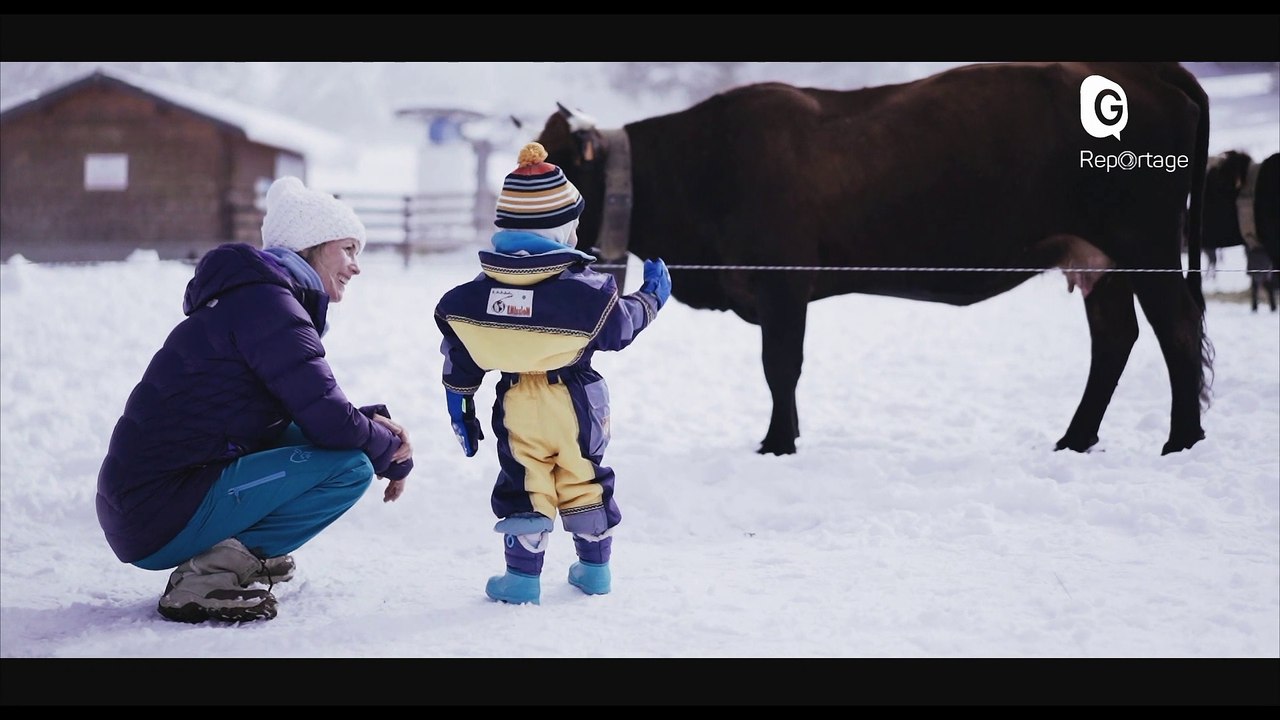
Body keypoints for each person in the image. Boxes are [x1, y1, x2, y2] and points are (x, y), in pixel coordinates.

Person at [96, 176, 415, 624]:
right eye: (348, 249)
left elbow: (308, 414)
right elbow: (327, 418)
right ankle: (210, 574)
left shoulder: (253, 299)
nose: (355, 266)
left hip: (146, 501)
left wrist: (373, 430)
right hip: (157, 511)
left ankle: (235, 553)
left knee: (335, 443)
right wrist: (390, 456)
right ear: (313, 245)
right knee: (350, 467)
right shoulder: (269, 306)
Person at [434, 142, 671, 605]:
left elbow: (460, 354)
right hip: (577, 401)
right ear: (562, 235)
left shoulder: (473, 299)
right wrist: (652, 298)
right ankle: (594, 570)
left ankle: (522, 579)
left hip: (517, 402)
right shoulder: (584, 295)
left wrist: (460, 402)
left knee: (525, 482)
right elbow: (621, 326)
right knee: (583, 475)